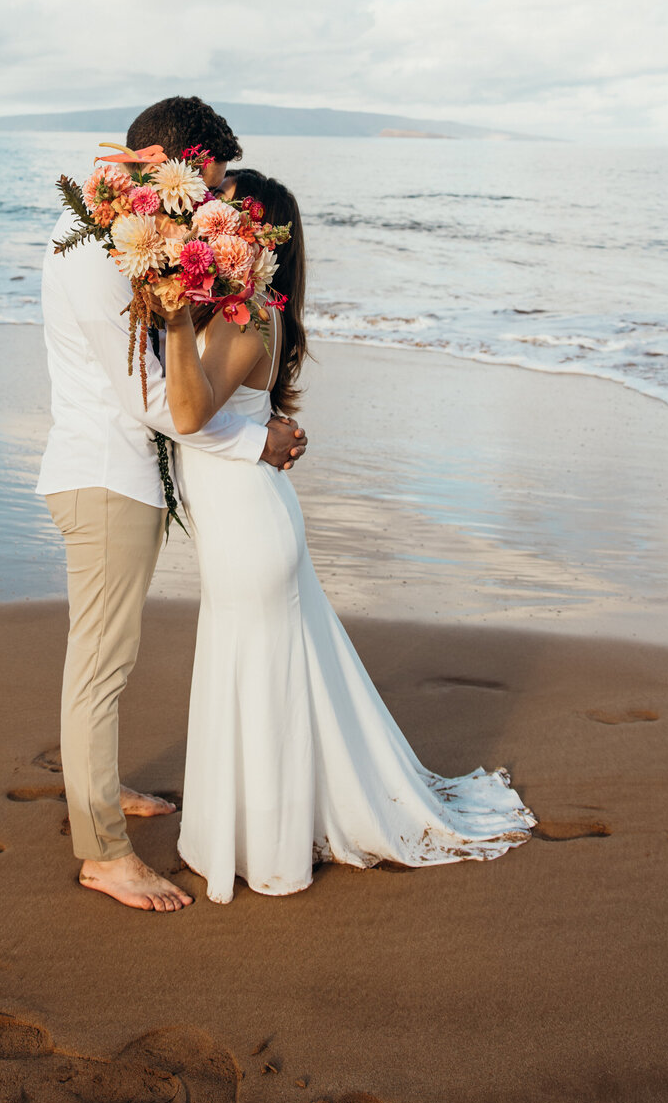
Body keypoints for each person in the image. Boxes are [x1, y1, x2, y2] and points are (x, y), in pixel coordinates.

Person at [159, 167, 535, 904]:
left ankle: (272, 854)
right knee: (259, 680)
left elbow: (185, 413)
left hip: (251, 528)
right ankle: (254, 834)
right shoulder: (239, 310)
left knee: (262, 687)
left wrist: (170, 309)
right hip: (246, 519)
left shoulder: (245, 316)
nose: (204, 225)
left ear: (254, 238)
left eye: (220, 217)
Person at [35, 99, 309, 912]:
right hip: (105, 477)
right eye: (207, 184)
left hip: (127, 476)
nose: (211, 204)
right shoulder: (89, 247)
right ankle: (104, 855)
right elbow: (151, 396)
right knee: (101, 666)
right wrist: (252, 442)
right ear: (167, 165)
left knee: (106, 659)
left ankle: (102, 786)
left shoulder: (119, 234)